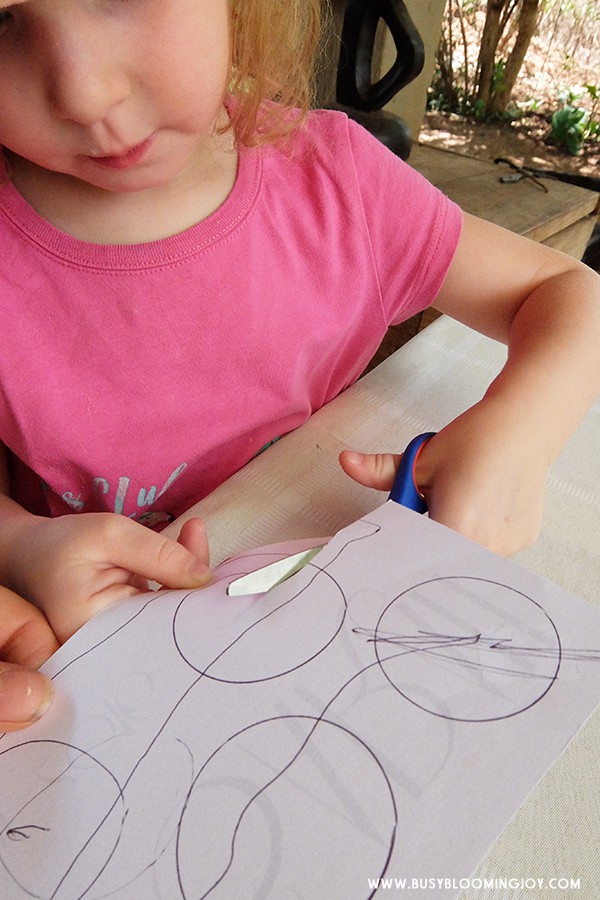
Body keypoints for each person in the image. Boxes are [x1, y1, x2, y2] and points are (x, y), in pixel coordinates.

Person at [1, 0, 599, 731]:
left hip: (321, 647)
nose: (84, 92)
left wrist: (519, 436)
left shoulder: (337, 185)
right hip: (111, 683)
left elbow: (570, 292)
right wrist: (19, 542)